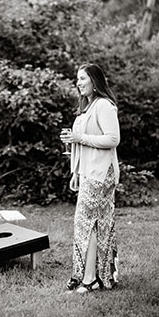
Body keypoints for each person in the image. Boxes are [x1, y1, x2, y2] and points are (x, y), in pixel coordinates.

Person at [62, 63, 120, 293]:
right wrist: (75, 171)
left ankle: (90, 278)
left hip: (101, 172)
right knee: (94, 224)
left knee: (88, 223)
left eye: (82, 79)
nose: (78, 83)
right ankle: (96, 276)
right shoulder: (87, 107)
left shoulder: (104, 106)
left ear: (95, 82)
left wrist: (80, 137)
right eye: (77, 79)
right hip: (88, 171)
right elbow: (81, 142)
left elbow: (113, 139)